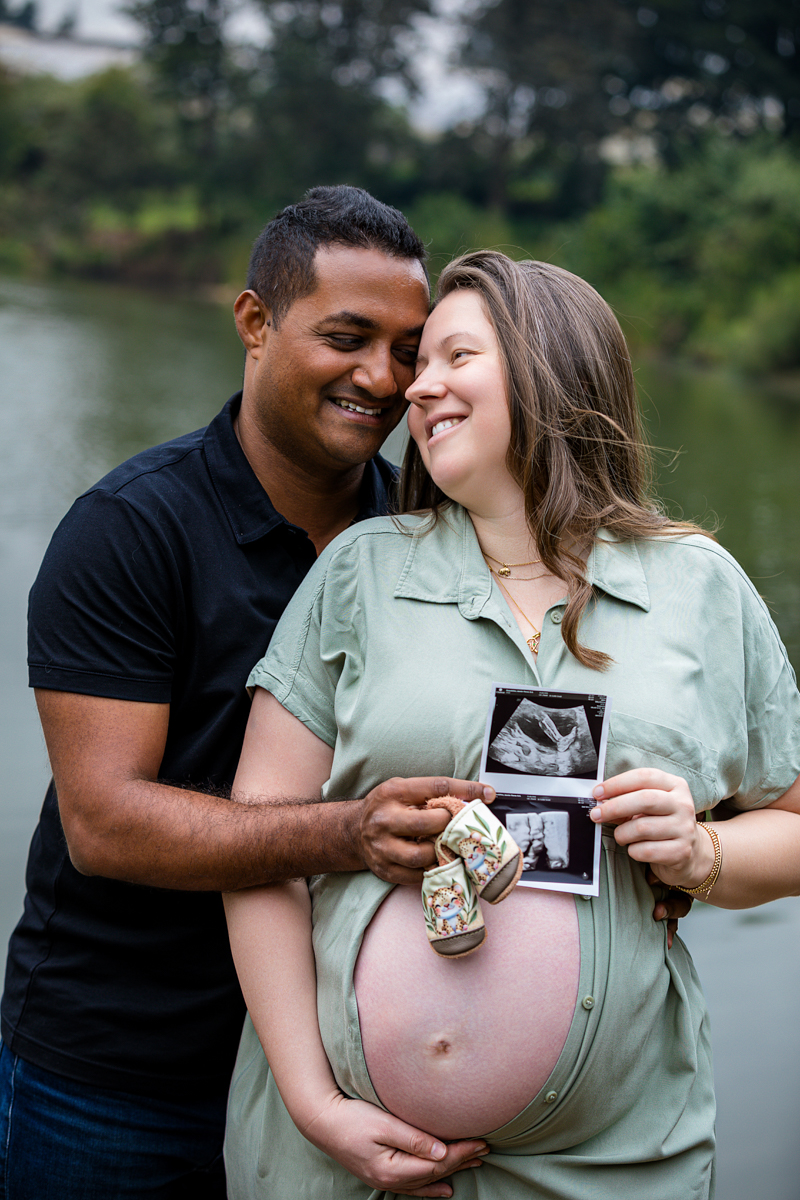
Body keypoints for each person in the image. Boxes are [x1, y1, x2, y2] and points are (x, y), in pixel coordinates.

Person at [222, 250, 800, 1200]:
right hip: (336, 1165)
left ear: (549, 368)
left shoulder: (703, 589)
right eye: (422, 366)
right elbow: (257, 845)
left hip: (613, 1167)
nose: (418, 385)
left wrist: (704, 854)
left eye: (454, 355)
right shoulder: (359, 574)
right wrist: (314, 1102)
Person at [0, 187, 493, 1199]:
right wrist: (348, 833)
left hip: (349, 1073)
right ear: (255, 324)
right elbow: (106, 824)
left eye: (408, 350)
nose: (382, 379)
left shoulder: (432, 537)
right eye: (347, 338)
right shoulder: (131, 531)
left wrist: (661, 855)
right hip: (120, 1078)